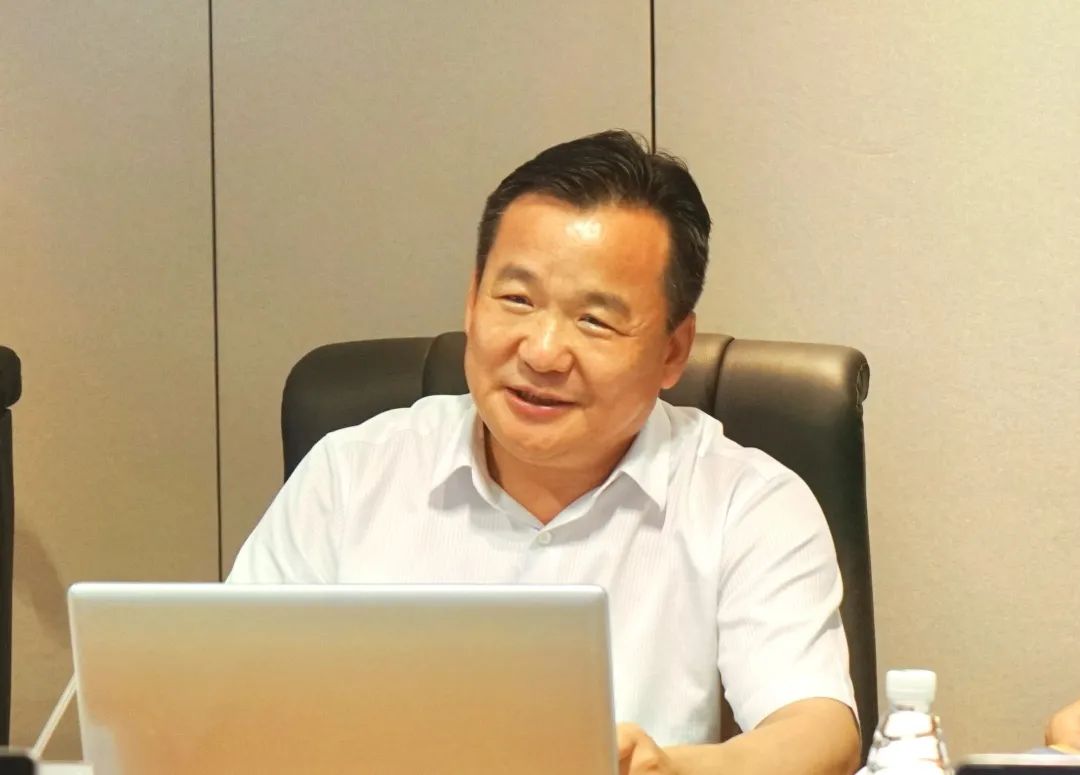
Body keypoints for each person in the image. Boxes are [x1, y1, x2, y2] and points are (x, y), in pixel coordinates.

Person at [229, 130, 860, 774]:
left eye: (594, 320)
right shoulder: (350, 475)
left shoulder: (743, 501)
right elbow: (228, 698)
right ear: (472, 302)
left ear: (673, 350)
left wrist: (671, 771)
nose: (542, 352)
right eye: (517, 300)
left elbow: (817, 729)